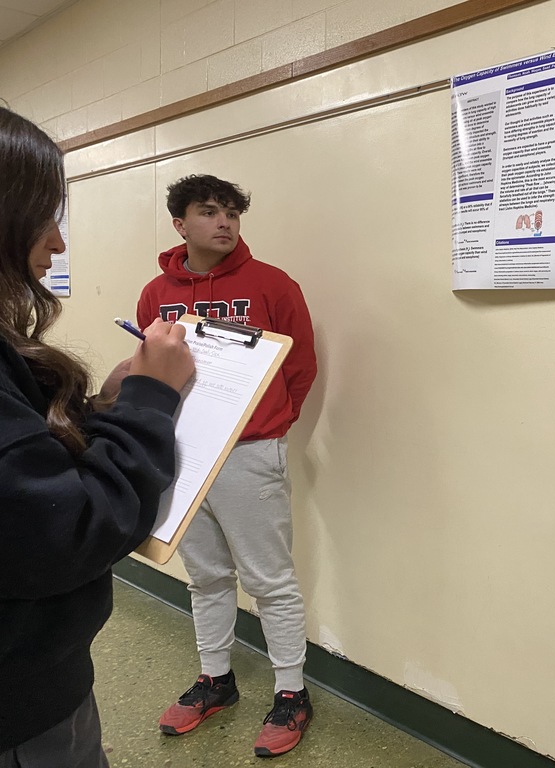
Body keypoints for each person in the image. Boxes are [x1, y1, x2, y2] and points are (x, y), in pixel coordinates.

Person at [0, 107, 194, 767]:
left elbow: (21, 464)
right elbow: (66, 531)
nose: (57, 243)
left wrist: (104, 407)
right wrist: (150, 401)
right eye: (44, 214)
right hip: (19, 710)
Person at [139, 174, 317, 758]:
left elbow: (300, 364)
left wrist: (271, 424)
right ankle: (216, 679)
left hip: (248, 453)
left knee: (270, 580)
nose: (225, 223)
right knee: (208, 574)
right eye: (210, 212)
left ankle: (292, 692)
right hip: (185, 453)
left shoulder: (271, 284)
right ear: (180, 224)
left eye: (233, 214)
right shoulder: (154, 292)